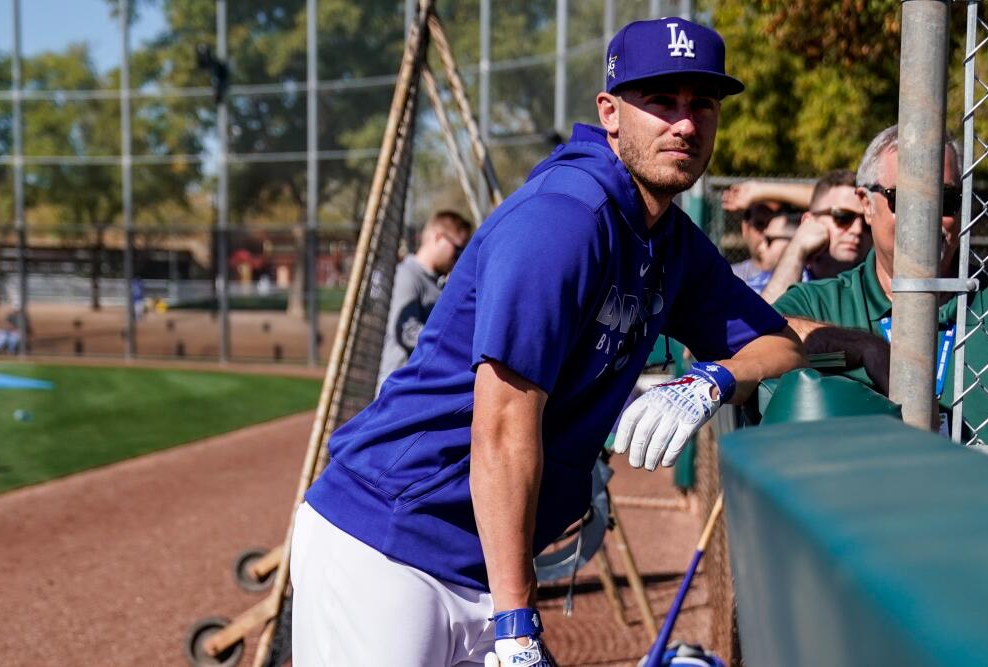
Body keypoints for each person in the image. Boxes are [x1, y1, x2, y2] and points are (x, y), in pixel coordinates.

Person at [290, 17, 807, 667]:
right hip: (389, 543)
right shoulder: (565, 217)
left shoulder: (667, 239)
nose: (684, 122)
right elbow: (503, 428)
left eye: (701, 103)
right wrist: (515, 625)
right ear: (611, 112)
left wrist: (715, 379)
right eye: (661, 101)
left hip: (486, 554)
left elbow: (779, 340)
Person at [774, 125, 988, 446]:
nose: (925, 217)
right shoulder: (822, 304)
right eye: (902, 198)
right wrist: (866, 348)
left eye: (945, 199)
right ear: (865, 203)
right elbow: (765, 335)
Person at [377, 210, 475, 389]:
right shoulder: (407, 275)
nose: (459, 256)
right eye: (457, 248)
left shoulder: (436, 282)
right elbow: (407, 331)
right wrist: (456, 343)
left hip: (418, 387)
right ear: (438, 237)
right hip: (398, 391)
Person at [760, 169, 872, 304]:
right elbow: (768, 321)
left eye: (866, 222)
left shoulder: (881, 292)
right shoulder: (755, 289)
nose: (857, 229)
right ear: (808, 221)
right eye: (843, 216)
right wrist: (797, 248)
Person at [729, 202, 793, 293]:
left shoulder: (803, 274)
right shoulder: (731, 276)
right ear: (745, 228)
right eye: (760, 224)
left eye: (772, 225)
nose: (767, 232)